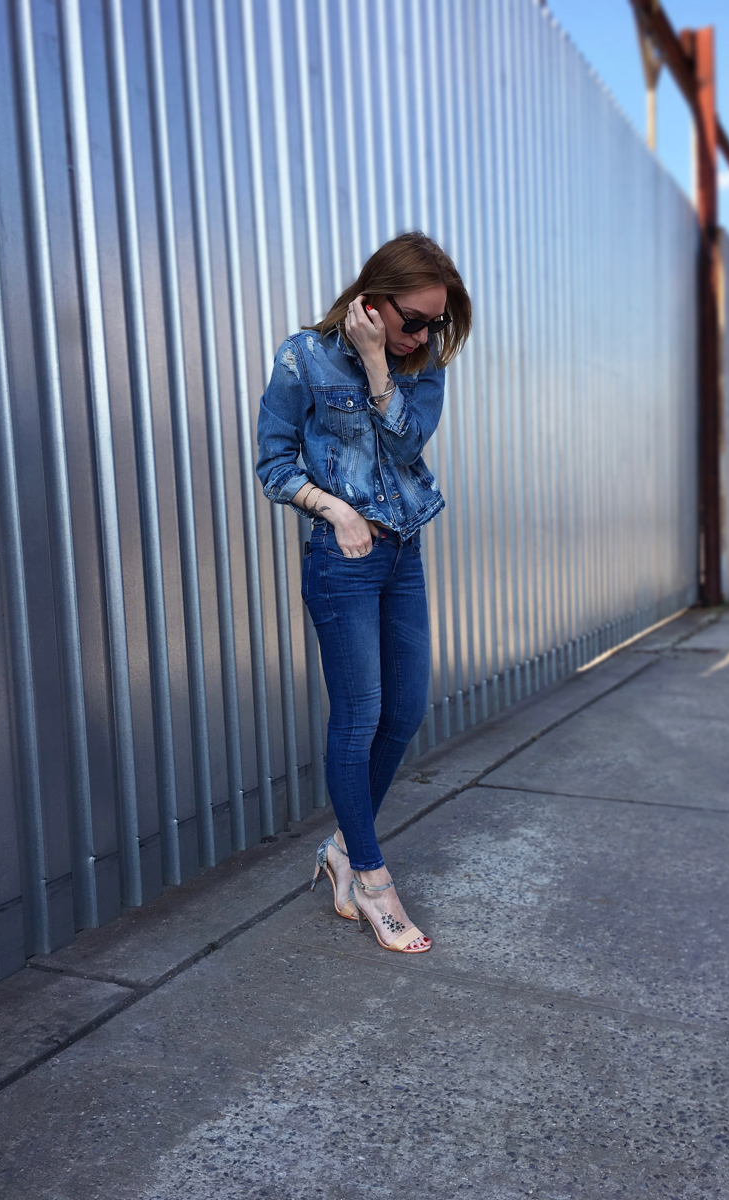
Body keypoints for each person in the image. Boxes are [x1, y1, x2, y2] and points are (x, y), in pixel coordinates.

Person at [256, 232, 471, 953]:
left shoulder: (418, 361)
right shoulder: (303, 357)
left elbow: (408, 448)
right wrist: (335, 508)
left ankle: (344, 852)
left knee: (406, 709)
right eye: (412, 318)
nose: (425, 334)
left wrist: (383, 363)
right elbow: (273, 461)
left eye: (434, 322)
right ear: (369, 300)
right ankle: (373, 879)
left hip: (401, 554)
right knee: (359, 716)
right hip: (340, 557)